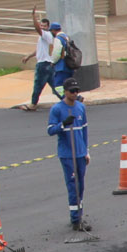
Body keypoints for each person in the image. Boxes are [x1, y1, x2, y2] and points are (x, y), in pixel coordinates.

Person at [47, 80, 91, 230]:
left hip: (80, 154)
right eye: (72, 91)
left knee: (81, 186)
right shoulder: (57, 109)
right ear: (65, 91)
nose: (75, 93)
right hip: (67, 155)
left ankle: (80, 215)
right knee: (73, 186)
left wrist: (86, 151)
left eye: (77, 90)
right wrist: (63, 124)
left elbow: (84, 131)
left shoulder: (81, 107)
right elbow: (50, 130)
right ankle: (75, 220)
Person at [24, 8, 61, 111]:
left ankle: (33, 104)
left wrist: (33, 17)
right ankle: (70, 100)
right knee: (56, 86)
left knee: (38, 85)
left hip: (43, 65)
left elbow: (37, 29)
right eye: (41, 25)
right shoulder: (44, 37)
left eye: (44, 26)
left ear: (48, 27)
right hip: (49, 65)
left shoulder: (46, 35)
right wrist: (29, 56)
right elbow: (39, 50)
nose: (42, 27)